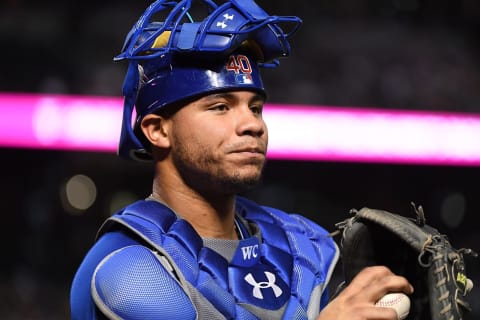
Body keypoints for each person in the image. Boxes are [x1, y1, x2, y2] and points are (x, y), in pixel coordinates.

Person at [70, 0, 413, 319]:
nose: (252, 124)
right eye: (220, 107)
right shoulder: (128, 269)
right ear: (158, 131)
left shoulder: (306, 246)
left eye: (255, 107)